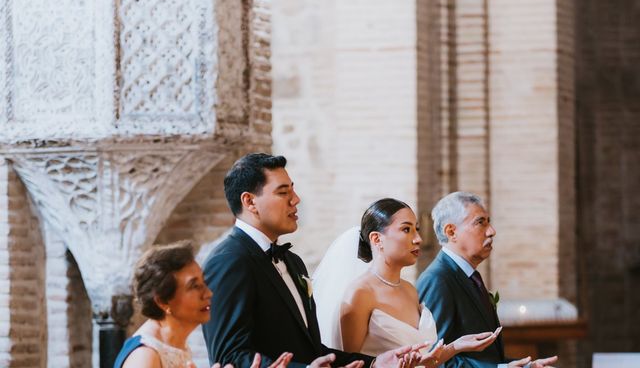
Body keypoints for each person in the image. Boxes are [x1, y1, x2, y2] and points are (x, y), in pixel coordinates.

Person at [202, 153, 425, 368]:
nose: (296, 199)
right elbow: (229, 356)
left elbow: (312, 351)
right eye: (282, 192)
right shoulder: (229, 261)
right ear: (250, 201)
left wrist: (374, 363)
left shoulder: (293, 262)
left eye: (293, 190)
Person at [313, 198, 501, 367]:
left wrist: (455, 346)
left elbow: (423, 361)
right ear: (377, 239)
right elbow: (353, 365)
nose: (418, 239)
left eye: (416, 229)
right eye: (406, 229)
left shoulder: (410, 290)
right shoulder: (360, 293)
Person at [416, 192, 558, 368]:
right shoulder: (438, 279)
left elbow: (487, 359)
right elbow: (433, 359)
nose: (492, 231)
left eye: (488, 222)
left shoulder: (469, 276)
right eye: (480, 222)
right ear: (451, 232)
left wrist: (525, 366)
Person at [114, 241, 292, 368]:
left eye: (204, 283)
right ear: (162, 301)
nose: (208, 293)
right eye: (194, 286)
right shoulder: (145, 357)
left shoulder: (176, 345)